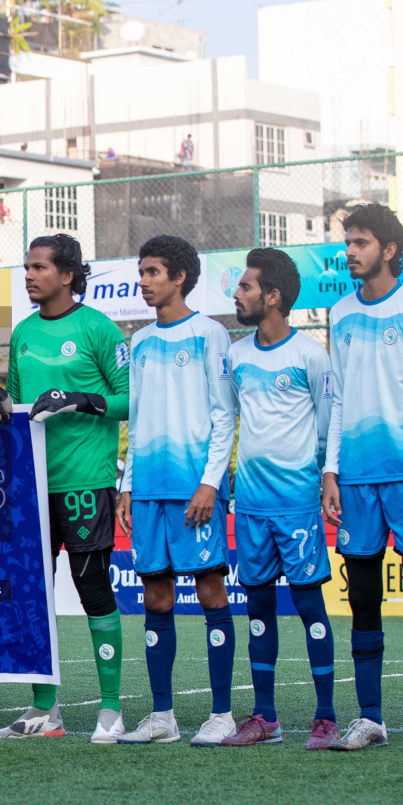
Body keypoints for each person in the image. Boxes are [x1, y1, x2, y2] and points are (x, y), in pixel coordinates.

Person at [0, 234, 129, 742]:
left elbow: (132, 399)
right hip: (31, 486)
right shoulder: (22, 334)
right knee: (33, 597)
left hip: (85, 482)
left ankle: (110, 709)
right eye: (26, 267)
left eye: (39, 267)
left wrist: (82, 399)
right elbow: (18, 406)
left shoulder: (98, 329)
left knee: (93, 591)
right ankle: (45, 710)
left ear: (67, 274)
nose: (29, 275)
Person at [321, 203, 403, 753]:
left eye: (360, 242)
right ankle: (370, 719)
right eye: (347, 242)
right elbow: (338, 399)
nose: (349, 251)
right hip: (355, 477)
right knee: (363, 597)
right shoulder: (340, 314)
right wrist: (330, 469)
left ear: (390, 250)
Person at [114, 234, 238, 746]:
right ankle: (162, 717)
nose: (143, 282)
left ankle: (223, 714)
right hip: (148, 488)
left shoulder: (211, 335)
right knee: (155, 595)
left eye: (152, 272)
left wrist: (210, 482)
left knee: (210, 590)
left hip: (195, 488)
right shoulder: (140, 342)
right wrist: (126, 484)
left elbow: (223, 413)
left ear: (180, 277)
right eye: (141, 273)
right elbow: (138, 421)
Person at [224, 248, 339, 749]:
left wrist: (324, 475)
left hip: (296, 503)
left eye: (246, 287)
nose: (237, 293)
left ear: (273, 296)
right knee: (258, 608)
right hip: (249, 502)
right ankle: (264, 716)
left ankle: (326, 716)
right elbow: (226, 421)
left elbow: (331, 425)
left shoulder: (311, 355)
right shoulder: (236, 355)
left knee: (311, 605)